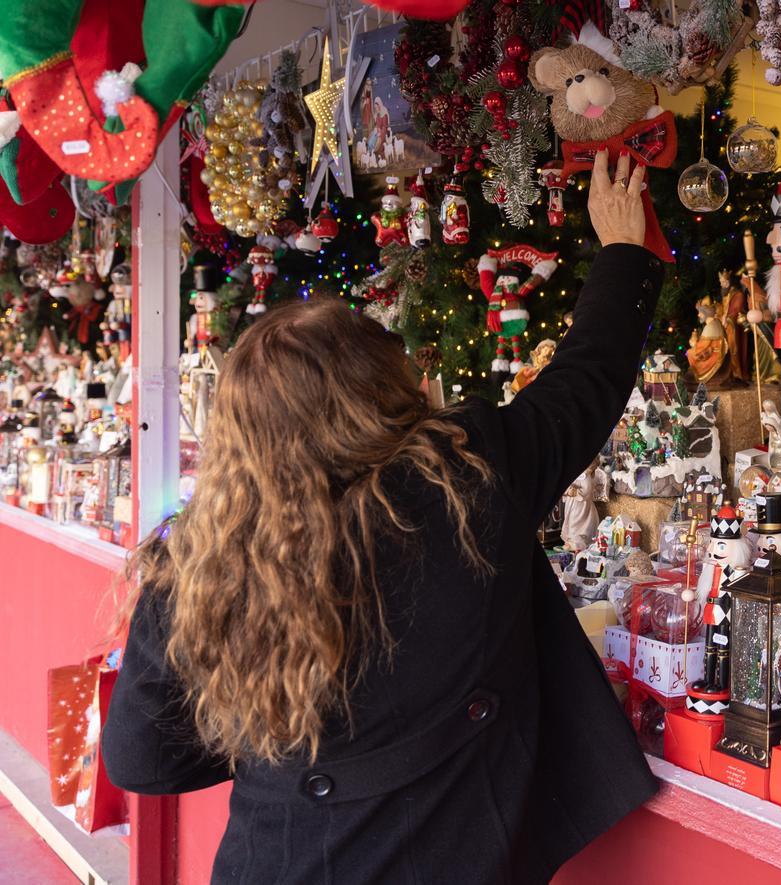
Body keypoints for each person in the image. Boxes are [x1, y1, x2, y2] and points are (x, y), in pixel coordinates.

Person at [101, 150, 663, 885]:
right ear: (381, 387)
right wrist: (622, 249)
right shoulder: (466, 480)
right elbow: (584, 379)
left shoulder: (201, 558)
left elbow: (141, 755)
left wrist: (274, 729)